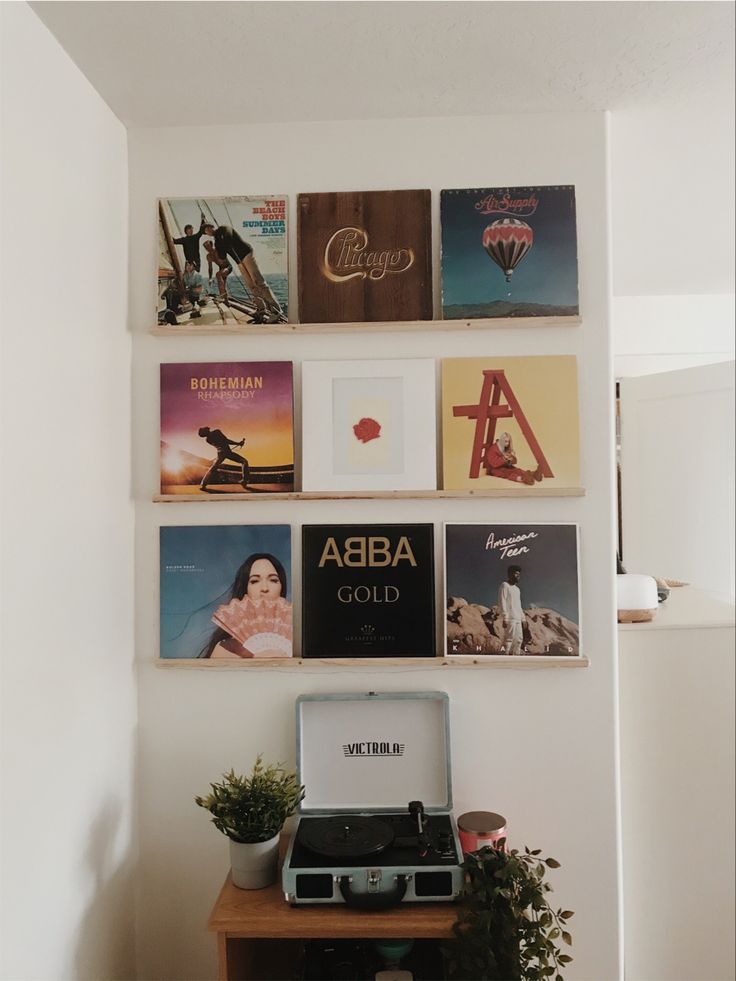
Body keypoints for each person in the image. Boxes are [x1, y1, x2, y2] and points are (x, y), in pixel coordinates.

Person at [199, 553, 290, 659]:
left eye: (273, 580)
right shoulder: (225, 649)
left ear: (282, 588)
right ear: (245, 590)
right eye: (255, 581)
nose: (264, 588)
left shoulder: (299, 643)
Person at [202, 222, 285, 323]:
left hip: (246, 254)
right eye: (206, 232)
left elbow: (228, 236)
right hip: (239, 261)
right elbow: (222, 256)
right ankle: (261, 309)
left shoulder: (224, 228)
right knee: (251, 285)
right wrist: (218, 248)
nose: (208, 232)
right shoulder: (217, 242)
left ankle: (276, 311)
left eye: (208, 229)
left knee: (259, 282)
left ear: (212, 227)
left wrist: (221, 245)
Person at [498, 564, 528, 656]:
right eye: (516, 574)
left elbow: (519, 605)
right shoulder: (504, 585)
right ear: (510, 574)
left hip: (518, 618)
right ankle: (505, 659)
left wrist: (523, 619)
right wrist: (505, 617)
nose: (518, 576)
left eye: (519, 574)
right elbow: (502, 600)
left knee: (519, 640)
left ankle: (516, 659)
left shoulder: (517, 589)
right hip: (510, 618)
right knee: (509, 639)